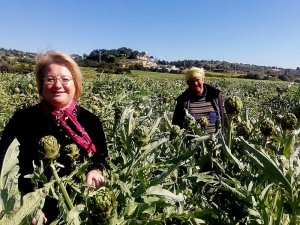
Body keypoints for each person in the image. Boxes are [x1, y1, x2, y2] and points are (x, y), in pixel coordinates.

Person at [0, 50, 108, 224]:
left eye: (65, 79)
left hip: (81, 210)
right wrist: (27, 206)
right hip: (33, 212)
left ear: (76, 84)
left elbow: (101, 156)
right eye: (50, 79)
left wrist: (95, 170)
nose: (58, 85)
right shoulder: (22, 119)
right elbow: (5, 164)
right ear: (41, 85)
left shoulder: (91, 121)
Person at [172, 67, 226, 134]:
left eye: (197, 80)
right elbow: (176, 124)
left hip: (216, 141)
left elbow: (224, 118)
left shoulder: (216, 96)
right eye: (191, 81)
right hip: (193, 143)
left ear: (203, 80)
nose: (195, 83)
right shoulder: (182, 101)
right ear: (188, 84)